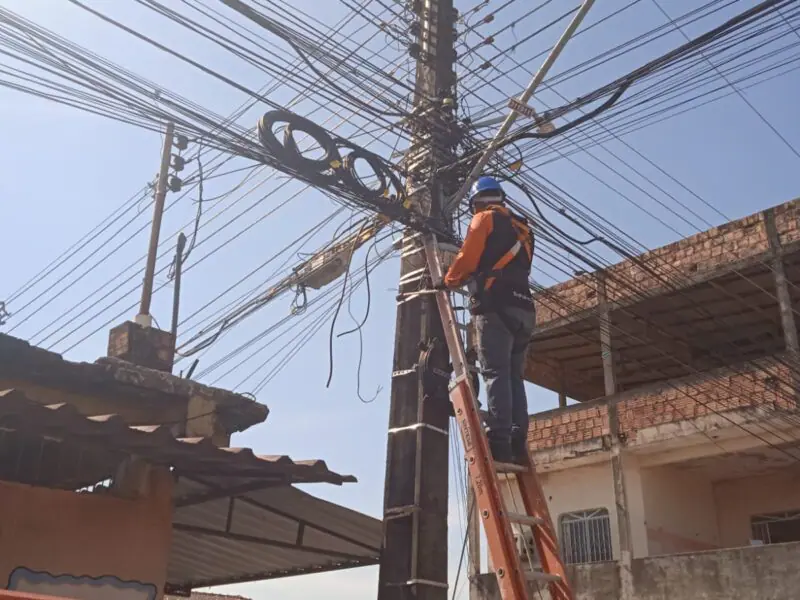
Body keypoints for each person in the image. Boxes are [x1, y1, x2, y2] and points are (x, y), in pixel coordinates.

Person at [440, 176, 536, 464]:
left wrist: (448, 281)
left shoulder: (483, 220)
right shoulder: (524, 229)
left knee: (495, 374)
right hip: (525, 310)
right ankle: (517, 440)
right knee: (513, 377)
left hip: (495, 307)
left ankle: (500, 441)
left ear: (476, 201)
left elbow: (468, 259)